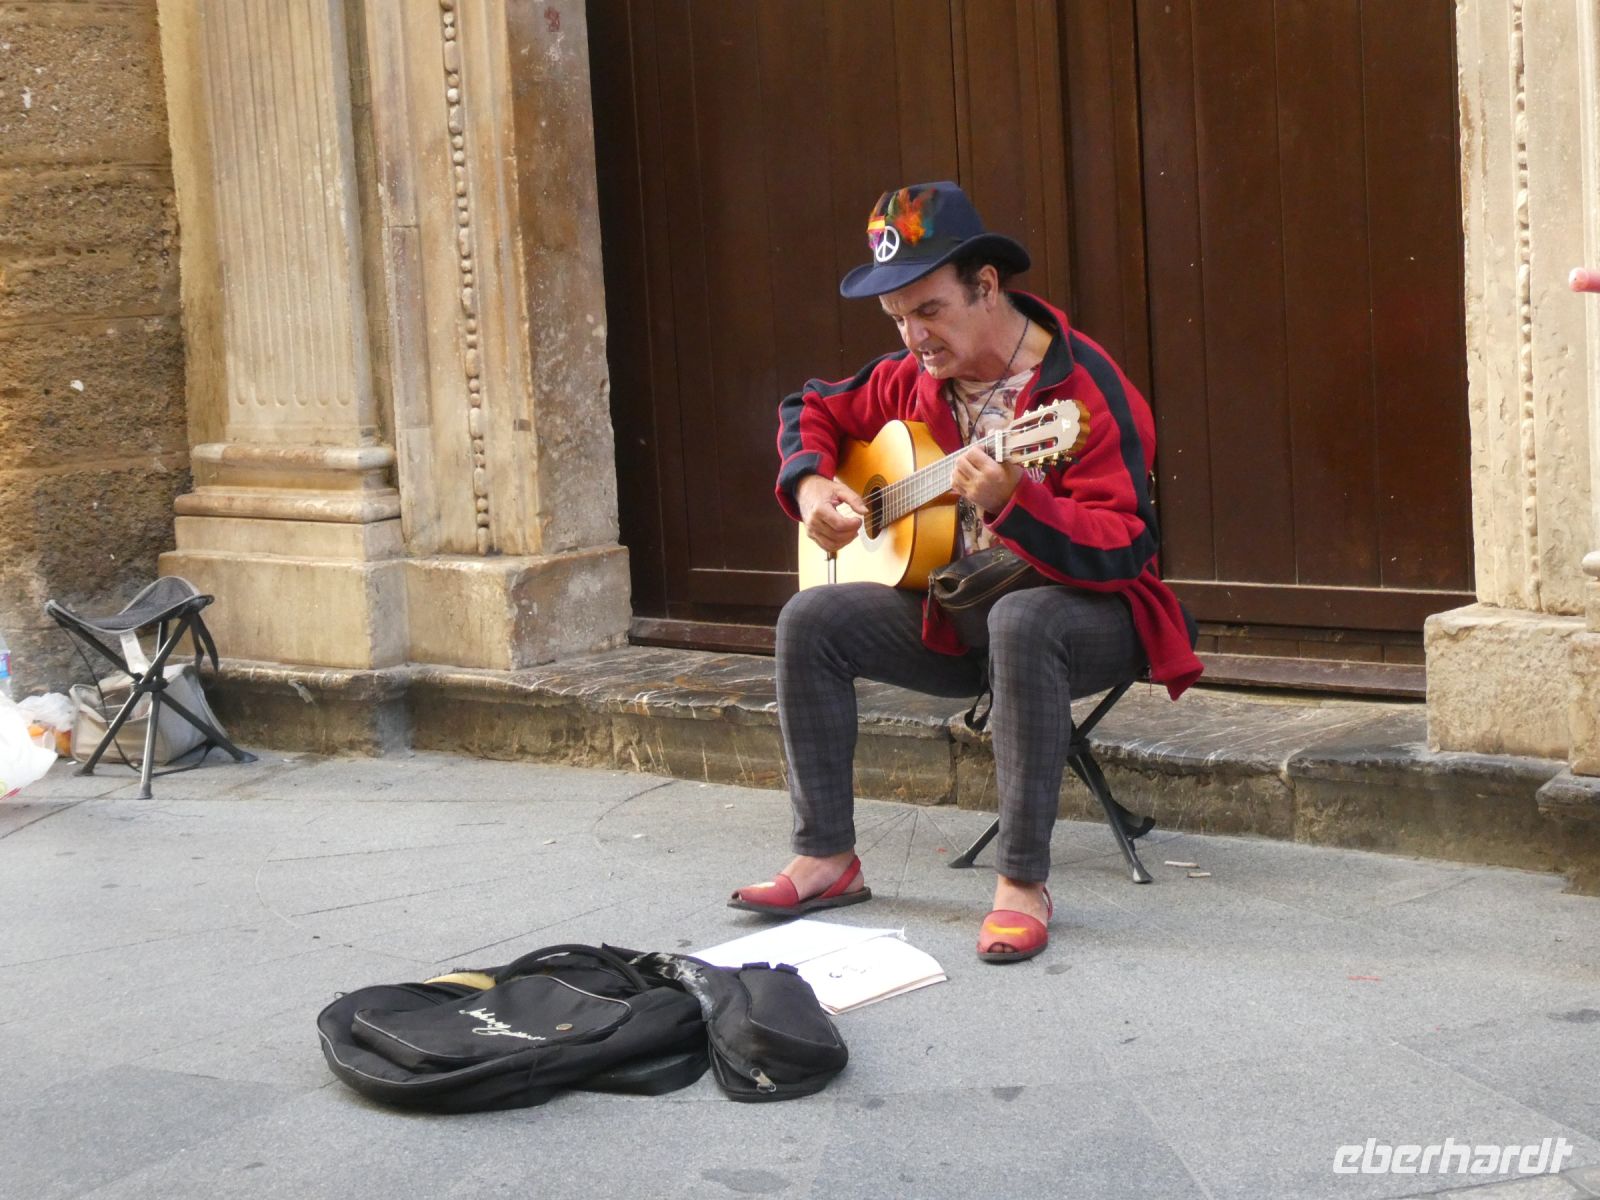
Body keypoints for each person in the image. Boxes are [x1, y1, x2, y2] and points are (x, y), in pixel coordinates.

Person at [729, 182, 1202, 963]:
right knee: (808, 620)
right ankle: (825, 858)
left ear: (986, 286)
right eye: (897, 319)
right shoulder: (914, 379)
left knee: (1025, 619)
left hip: (1093, 618)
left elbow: (1126, 548)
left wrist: (1022, 505)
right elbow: (806, 406)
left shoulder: (1082, 393)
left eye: (929, 311)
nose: (914, 336)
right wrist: (813, 486)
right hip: (956, 619)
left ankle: (1021, 884)